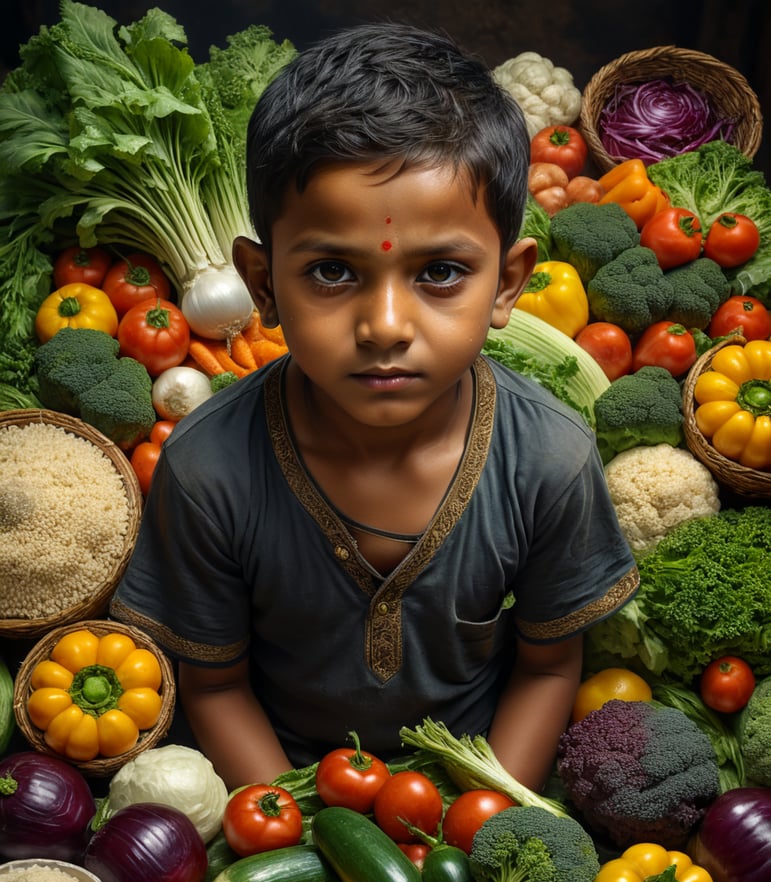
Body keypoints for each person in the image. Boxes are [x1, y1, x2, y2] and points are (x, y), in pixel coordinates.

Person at [110, 22, 639, 792]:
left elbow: (549, 667)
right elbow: (215, 686)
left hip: (475, 784)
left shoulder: (549, 460)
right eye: (330, 271)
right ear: (262, 285)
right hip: (280, 795)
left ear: (509, 282)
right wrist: (304, 846)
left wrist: (482, 829)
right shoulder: (207, 469)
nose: (385, 327)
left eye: (441, 273)